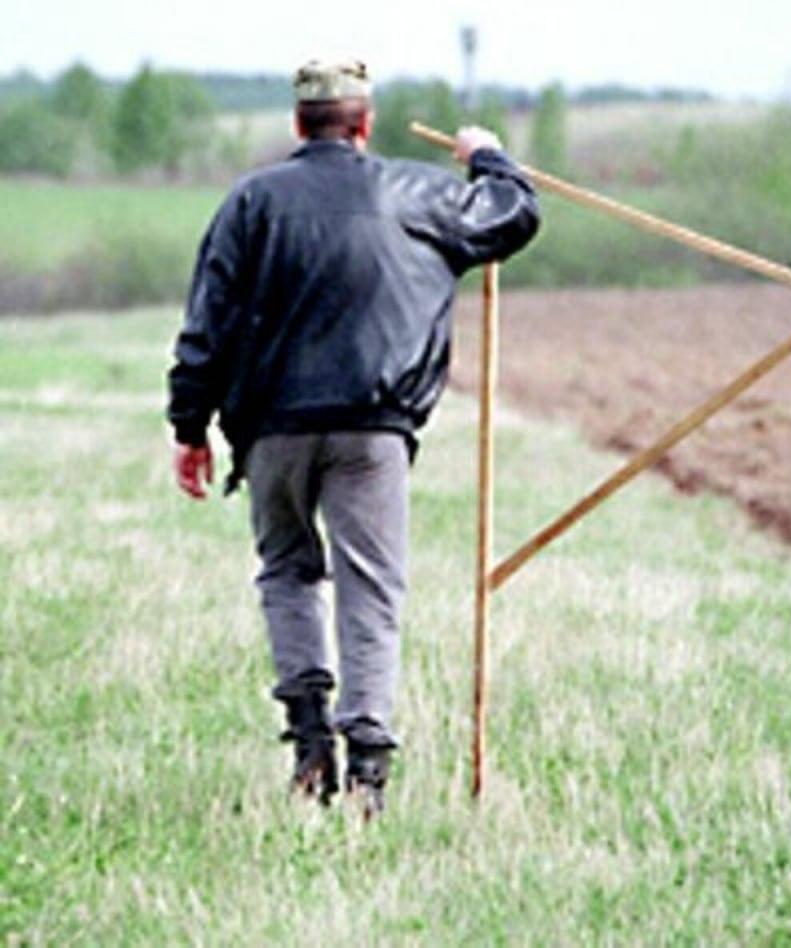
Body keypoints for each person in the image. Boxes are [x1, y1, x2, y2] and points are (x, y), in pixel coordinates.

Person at [166, 58, 539, 817]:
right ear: (364, 124)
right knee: (371, 587)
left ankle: (309, 745)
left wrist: (189, 425)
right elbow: (513, 214)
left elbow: (207, 326)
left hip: (271, 429)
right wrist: (486, 156)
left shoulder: (252, 201)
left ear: (298, 125)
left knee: (287, 571)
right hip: (376, 427)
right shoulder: (424, 194)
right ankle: (369, 768)